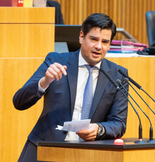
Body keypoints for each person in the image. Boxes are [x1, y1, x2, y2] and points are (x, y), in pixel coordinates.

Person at [13, 13, 128, 162]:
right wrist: (44, 82)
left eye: (105, 42)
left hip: (88, 155)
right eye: (93, 39)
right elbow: (19, 101)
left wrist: (99, 129)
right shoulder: (55, 61)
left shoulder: (118, 75)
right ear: (81, 37)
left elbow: (119, 123)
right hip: (45, 151)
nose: (98, 46)